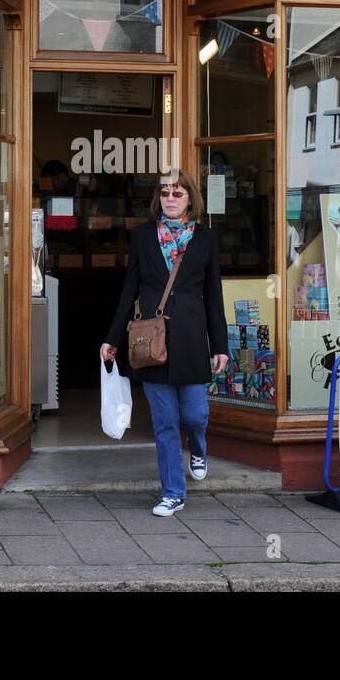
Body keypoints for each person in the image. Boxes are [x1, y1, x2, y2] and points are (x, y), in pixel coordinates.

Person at [101, 169, 229, 517]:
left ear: (190, 199)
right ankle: (173, 492)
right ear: (158, 198)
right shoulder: (142, 236)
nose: (170, 198)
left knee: (194, 414)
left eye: (178, 192)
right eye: (165, 192)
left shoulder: (205, 238)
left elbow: (214, 295)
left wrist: (220, 346)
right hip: (149, 340)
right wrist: (113, 338)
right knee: (166, 422)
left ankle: (199, 448)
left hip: (190, 339)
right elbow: (130, 289)